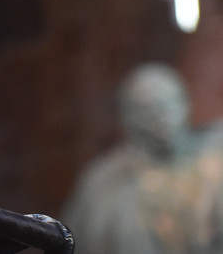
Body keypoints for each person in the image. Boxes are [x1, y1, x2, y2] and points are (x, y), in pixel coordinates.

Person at [62, 62, 223, 254]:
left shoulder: (215, 155)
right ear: (127, 117)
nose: (161, 117)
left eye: (167, 104)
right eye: (147, 110)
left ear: (185, 102)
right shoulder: (105, 181)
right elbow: (78, 240)